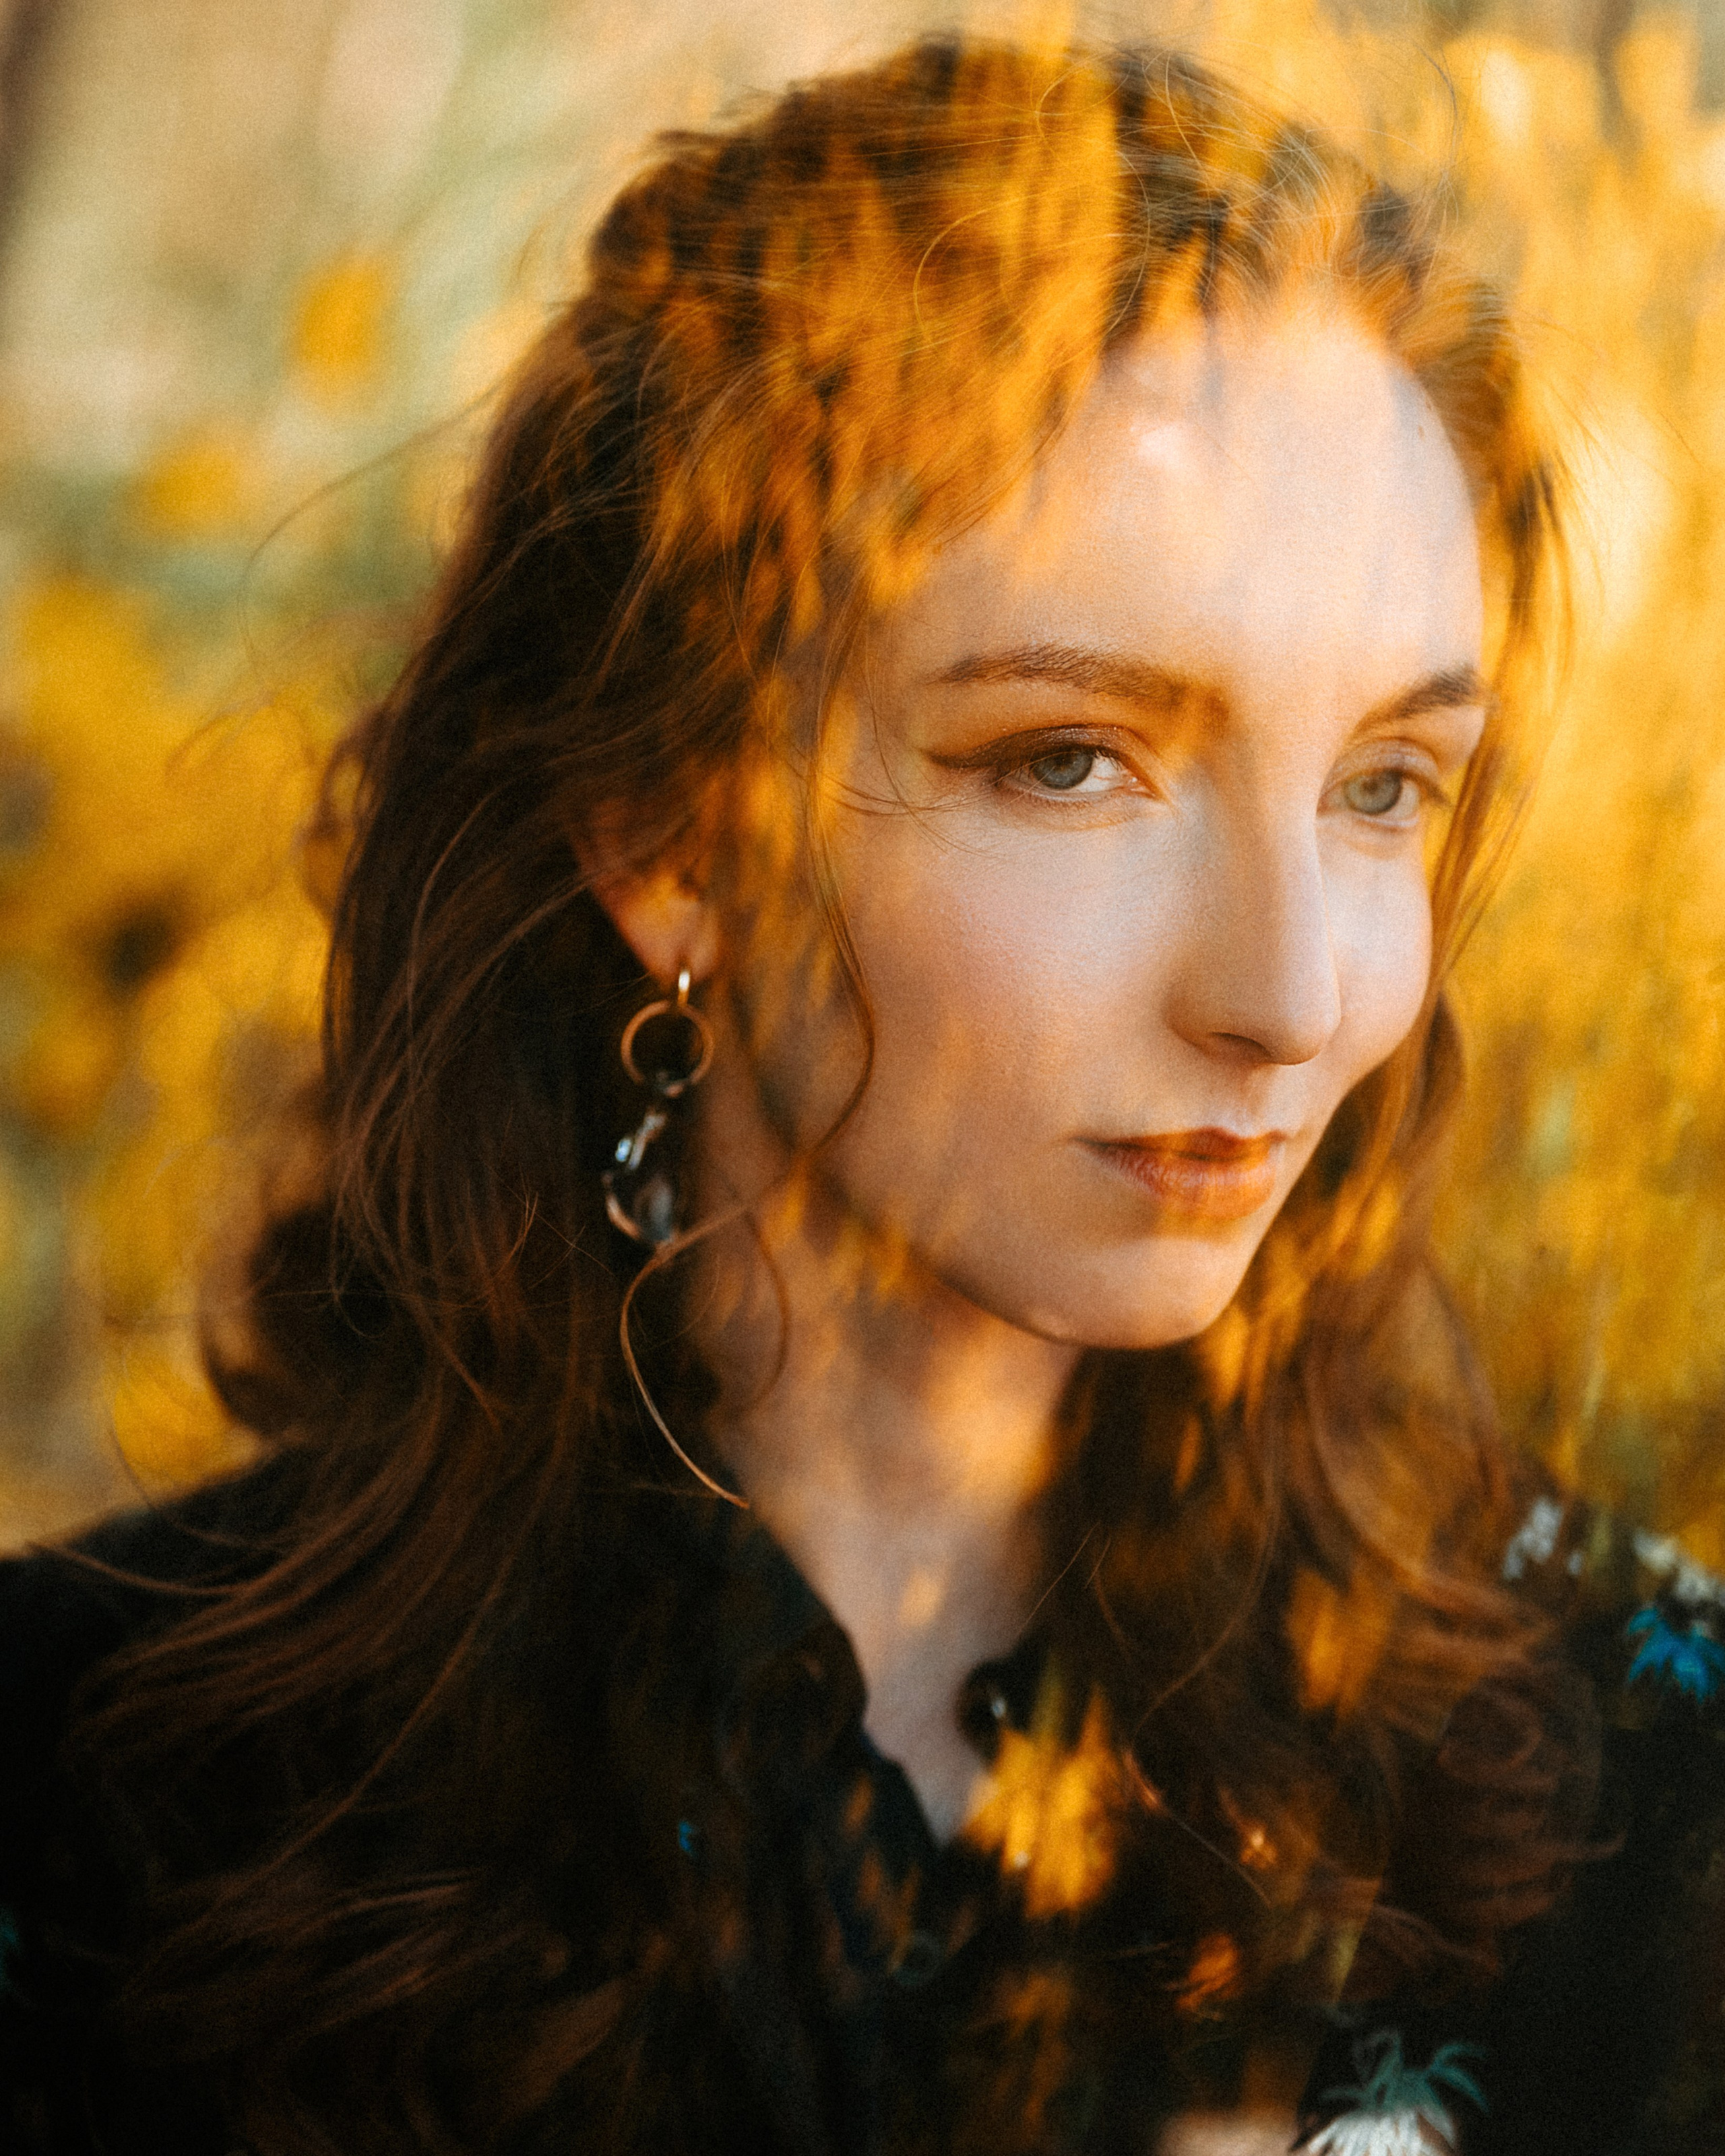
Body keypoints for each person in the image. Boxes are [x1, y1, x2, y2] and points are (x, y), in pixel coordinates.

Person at [1, 34, 1720, 2156]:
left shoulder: (1647, 1782)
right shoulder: (85, 1810)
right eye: (1070, 759)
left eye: (1387, 787)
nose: (1293, 996)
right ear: (666, 825)